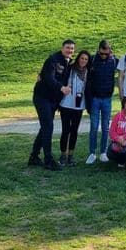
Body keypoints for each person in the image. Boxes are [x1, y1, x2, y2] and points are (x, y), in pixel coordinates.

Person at [28, 39, 74, 170]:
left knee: (45, 127)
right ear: (62, 48)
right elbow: (49, 78)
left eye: (72, 48)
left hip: (53, 100)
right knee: (48, 126)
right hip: (42, 97)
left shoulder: (69, 62)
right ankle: (48, 160)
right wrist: (61, 88)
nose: (70, 50)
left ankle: (34, 157)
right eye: (67, 48)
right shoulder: (53, 60)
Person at [85, 38, 118, 164]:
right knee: (93, 127)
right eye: (102, 53)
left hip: (107, 99)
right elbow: (80, 67)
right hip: (95, 98)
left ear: (110, 51)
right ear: (98, 50)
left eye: (106, 53)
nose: (104, 56)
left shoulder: (114, 60)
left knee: (105, 127)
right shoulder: (93, 60)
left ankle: (103, 152)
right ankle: (92, 153)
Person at [58, 49, 90, 166]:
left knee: (74, 131)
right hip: (66, 104)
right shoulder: (70, 69)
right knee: (65, 130)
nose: (83, 61)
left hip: (79, 105)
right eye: (82, 58)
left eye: (86, 59)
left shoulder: (88, 72)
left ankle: (71, 155)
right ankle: (63, 155)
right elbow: (58, 76)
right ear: (78, 58)